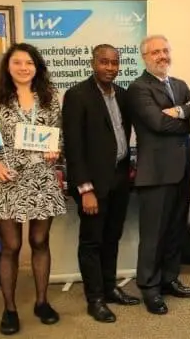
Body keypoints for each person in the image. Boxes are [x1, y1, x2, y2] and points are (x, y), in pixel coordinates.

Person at [0, 43, 65, 335]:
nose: (24, 67)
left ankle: (42, 302)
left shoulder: (50, 99)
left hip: (41, 180)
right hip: (8, 180)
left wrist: (56, 151)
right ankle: (10, 309)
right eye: (18, 62)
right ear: (8, 67)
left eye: (29, 62)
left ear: (37, 66)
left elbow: (59, 136)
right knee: (12, 247)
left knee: (40, 242)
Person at [62, 44, 139, 323]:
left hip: (119, 178)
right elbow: (73, 147)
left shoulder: (122, 94)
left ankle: (109, 288)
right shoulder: (77, 95)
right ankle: (94, 299)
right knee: (92, 242)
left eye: (114, 63)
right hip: (92, 184)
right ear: (94, 63)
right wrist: (85, 189)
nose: (110, 67)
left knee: (112, 237)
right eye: (104, 62)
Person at [127, 35, 190, 315]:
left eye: (165, 50)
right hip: (155, 174)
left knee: (175, 232)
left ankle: (170, 279)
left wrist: (179, 111)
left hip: (182, 171)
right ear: (144, 57)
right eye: (155, 52)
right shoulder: (138, 88)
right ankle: (150, 288)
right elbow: (157, 123)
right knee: (153, 235)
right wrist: (185, 121)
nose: (162, 56)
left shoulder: (179, 85)